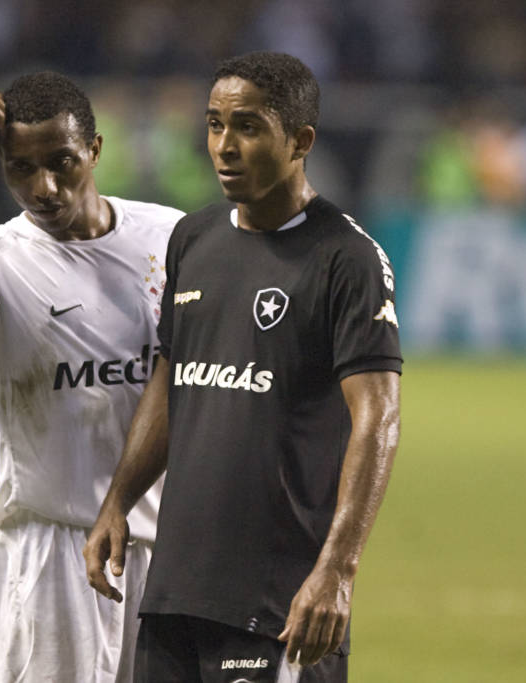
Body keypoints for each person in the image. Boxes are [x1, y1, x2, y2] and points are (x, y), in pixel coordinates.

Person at [84, 51, 402, 682]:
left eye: (248, 127)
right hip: (176, 592)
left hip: (278, 602)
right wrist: (117, 500)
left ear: (301, 141)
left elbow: (378, 418)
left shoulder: (347, 258)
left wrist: (337, 569)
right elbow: (174, 382)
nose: (224, 146)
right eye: (214, 124)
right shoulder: (194, 240)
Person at [0, 71, 184, 682]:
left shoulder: (170, 236)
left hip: (164, 551)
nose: (44, 187)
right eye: (20, 169)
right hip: (51, 550)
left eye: (62, 163)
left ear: (96, 150)